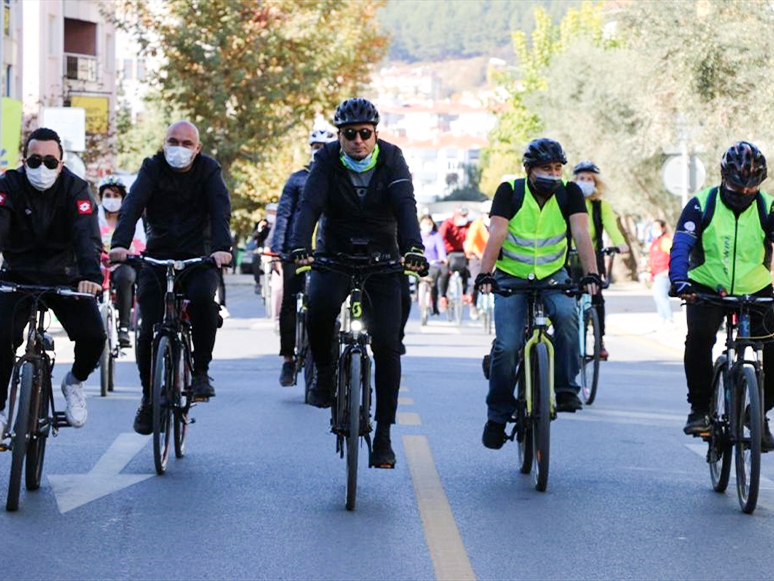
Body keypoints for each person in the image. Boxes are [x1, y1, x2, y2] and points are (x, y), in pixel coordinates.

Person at [291, 98, 428, 468]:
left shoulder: (392, 158)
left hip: (384, 258)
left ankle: (383, 436)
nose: (357, 141)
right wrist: (300, 246)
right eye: (349, 134)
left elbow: (405, 205)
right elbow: (310, 207)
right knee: (317, 306)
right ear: (339, 136)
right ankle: (323, 373)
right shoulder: (326, 161)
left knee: (387, 346)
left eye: (364, 134)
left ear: (375, 133)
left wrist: (413, 248)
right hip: (334, 255)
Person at [475, 138, 600, 449]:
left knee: (569, 318)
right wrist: (485, 275)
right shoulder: (510, 192)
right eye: (546, 168)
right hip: (511, 277)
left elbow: (581, 233)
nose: (554, 174)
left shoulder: (569, 193)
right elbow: (497, 233)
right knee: (507, 346)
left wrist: (590, 274)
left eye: (558, 168)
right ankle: (497, 416)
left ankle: (566, 387)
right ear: (529, 170)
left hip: (552, 275)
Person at [110, 120, 232, 435]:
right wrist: (120, 244)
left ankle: (201, 370)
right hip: (157, 256)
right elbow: (132, 206)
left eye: (186, 143)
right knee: (147, 328)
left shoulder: (209, 170)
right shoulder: (151, 168)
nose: (179, 149)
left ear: (198, 149)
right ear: (164, 143)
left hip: (199, 256)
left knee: (205, 299)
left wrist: (221, 249)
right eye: (173, 142)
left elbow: (221, 211)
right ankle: (149, 399)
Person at [669, 141, 774, 449]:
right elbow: (681, 246)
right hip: (705, 287)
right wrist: (679, 281)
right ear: (723, 176)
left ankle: (757, 414)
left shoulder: (768, 207)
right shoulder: (703, 203)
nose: (743, 193)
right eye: (736, 185)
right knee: (699, 338)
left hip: (756, 288)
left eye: (751, 187)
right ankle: (700, 409)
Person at [0, 128, 105, 434]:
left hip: (67, 277)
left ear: (61, 164)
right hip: (17, 276)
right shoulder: (8, 185)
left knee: (94, 337)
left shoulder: (76, 189)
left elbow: (87, 236)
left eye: (49, 161)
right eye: (34, 161)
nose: (41, 168)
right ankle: (2, 405)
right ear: (23, 160)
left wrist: (90, 276)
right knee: (0, 336)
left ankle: (73, 383)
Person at [272, 127, 336, 386]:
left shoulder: (339, 178)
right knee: (290, 300)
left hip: (328, 251)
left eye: (324, 146)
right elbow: (284, 215)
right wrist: (278, 251)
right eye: (315, 146)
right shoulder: (297, 179)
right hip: (295, 251)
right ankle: (288, 359)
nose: (318, 151)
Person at [571, 161, 629, 359]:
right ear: (574, 181)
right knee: (564, 298)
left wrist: (620, 243)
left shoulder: (601, 206)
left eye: (589, 179)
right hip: (567, 259)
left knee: (597, 300)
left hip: (592, 260)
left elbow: (611, 226)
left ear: (596, 183)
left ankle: (599, 339)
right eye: (581, 179)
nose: (585, 182)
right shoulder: (567, 202)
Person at [98, 175, 146, 347]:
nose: (112, 200)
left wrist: (129, 251)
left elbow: (141, 243)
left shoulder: (133, 218)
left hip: (123, 265)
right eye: (108, 195)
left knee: (126, 277)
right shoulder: (94, 217)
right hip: (98, 265)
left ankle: (124, 328)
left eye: (116, 195)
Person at [438, 206, 471, 311]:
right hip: (448, 252)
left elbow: (471, 238)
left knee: (466, 271)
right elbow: (440, 239)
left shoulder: (468, 225)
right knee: (445, 272)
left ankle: (464, 293)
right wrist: (442, 256)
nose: (463, 218)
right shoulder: (447, 224)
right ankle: (443, 296)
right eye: (461, 216)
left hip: (462, 252)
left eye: (465, 216)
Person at [464, 200, 491, 319]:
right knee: (476, 280)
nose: (489, 216)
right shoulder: (476, 224)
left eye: (491, 213)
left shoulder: (499, 223)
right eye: (486, 213)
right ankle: (473, 306)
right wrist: (474, 252)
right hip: (477, 256)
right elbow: (471, 241)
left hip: (493, 257)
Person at [420, 214, 447, 315]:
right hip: (420, 263)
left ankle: (434, 306)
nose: (427, 226)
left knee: (433, 284)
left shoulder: (436, 236)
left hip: (433, 264)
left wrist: (443, 258)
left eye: (429, 224)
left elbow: (441, 249)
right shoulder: (418, 235)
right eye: (425, 224)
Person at [647, 219, 673, 324]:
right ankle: (662, 317)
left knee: (662, 297)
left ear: (663, 228)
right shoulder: (655, 241)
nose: (655, 230)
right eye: (653, 227)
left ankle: (669, 318)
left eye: (657, 227)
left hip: (663, 272)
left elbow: (672, 255)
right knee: (657, 297)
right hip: (656, 273)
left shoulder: (665, 241)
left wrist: (669, 269)